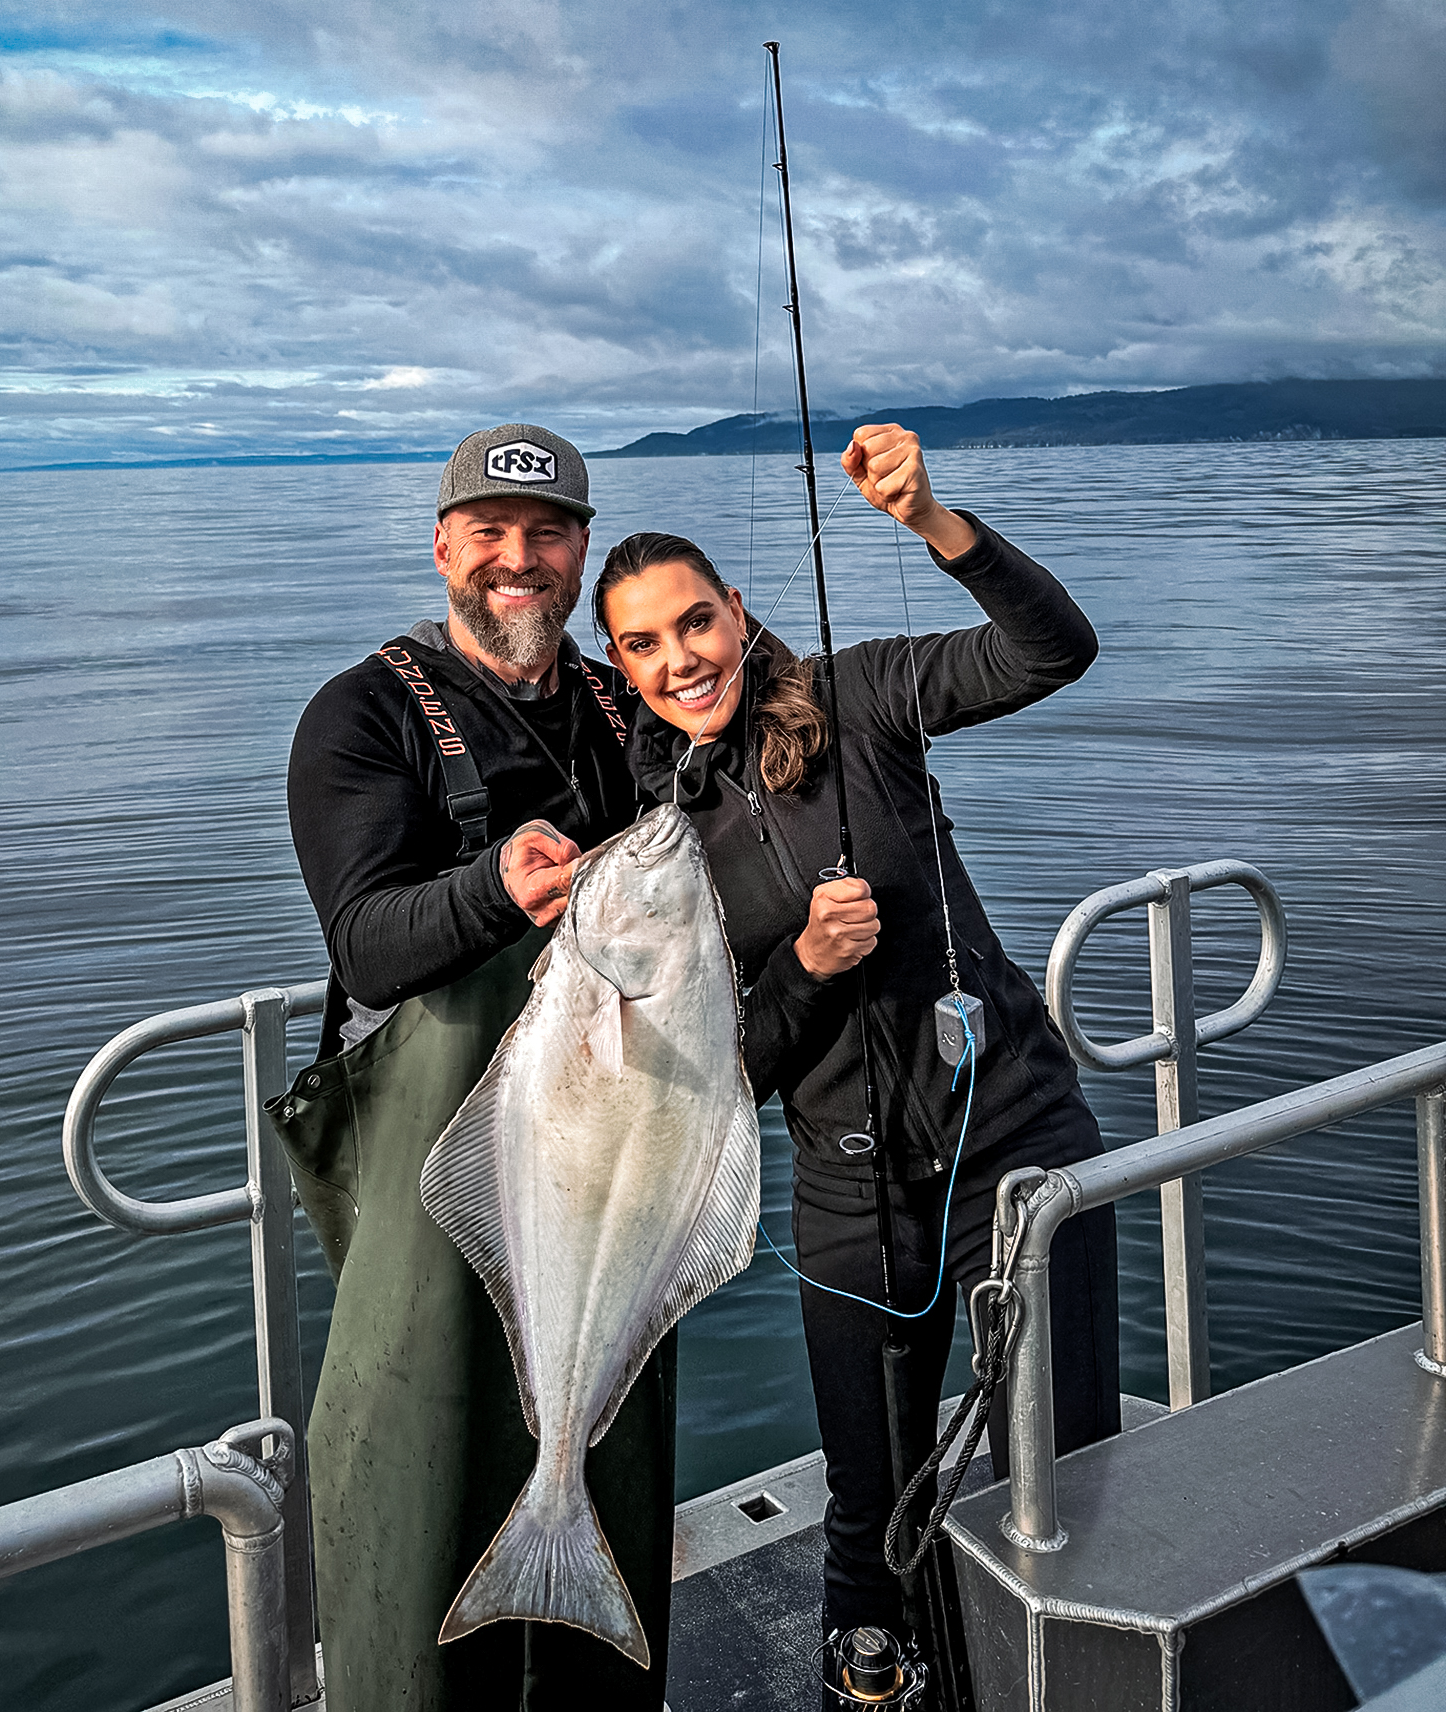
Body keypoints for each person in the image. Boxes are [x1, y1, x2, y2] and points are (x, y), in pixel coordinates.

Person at [590, 423, 1122, 1653]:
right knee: (868, 1509)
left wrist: (934, 519)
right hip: (850, 1192)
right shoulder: (663, 842)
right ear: (621, 666)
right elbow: (730, 1065)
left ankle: (1072, 1662)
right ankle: (871, 1672)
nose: (683, 659)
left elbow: (1055, 649)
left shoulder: (862, 695)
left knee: (1077, 1455)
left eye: (696, 623)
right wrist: (808, 964)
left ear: (737, 610)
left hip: (1018, 1137)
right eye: (645, 644)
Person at [277, 424, 673, 1710]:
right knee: (412, 1480)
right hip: (439, 1185)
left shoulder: (629, 700)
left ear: (581, 550)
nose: (521, 559)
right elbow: (369, 945)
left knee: (612, 1461)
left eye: (549, 533)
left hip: (617, 1174)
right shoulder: (363, 714)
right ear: (445, 544)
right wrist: (495, 886)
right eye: (492, 534)